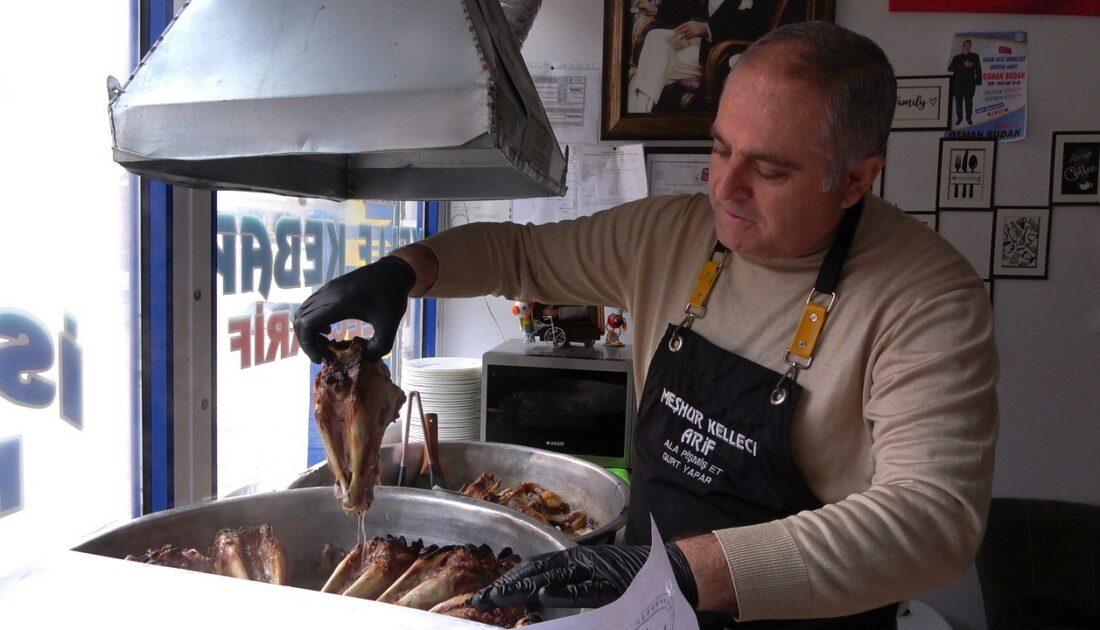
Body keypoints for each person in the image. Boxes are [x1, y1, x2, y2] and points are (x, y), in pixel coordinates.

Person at [294, 21, 999, 629]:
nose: (724, 188)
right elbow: (517, 253)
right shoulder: (675, 235)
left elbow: (933, 521)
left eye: (770, 170)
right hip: (648, 608)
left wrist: (692, 572)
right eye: (721, 149)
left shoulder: (928, 298)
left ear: (854, 180)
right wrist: (404, 270)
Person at [627, 0, 776, 113]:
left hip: (724, 55)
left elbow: (756, 23)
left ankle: (637, 117)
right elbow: (689, 7)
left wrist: (707, 28)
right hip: (703, 47)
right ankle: (639, 113)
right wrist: (656, 10)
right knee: (656, 40)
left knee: (649, 67)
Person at [948, 38, 982, 126]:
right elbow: (950, 68)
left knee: (969, 102)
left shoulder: (975, 57)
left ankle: (969, 118)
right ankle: (959, 118)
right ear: (962, 47)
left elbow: (978, 69)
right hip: (958, 85)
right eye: (966, 45)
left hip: (969, 84)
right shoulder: (957, 58)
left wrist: (978, 81)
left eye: (969, 46)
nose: (968, 47)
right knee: (958, 102)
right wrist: (964, 65)